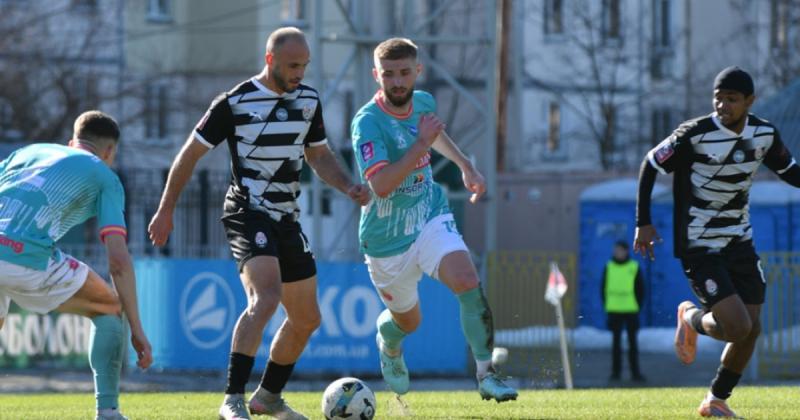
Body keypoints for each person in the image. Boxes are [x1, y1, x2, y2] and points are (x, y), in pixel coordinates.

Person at [148, 27, 370, 420]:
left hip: (287, 218)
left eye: (304, 65)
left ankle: (267, 397)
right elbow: (189, 154)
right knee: (266, 298)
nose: (299, 73)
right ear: (270, 60)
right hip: (247, 212)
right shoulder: (234, 102)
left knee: (307, 319)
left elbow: (318, 156)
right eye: (292, 65)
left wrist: (347, 185)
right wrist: (166, 209)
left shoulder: (308, 100)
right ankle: (232, 399)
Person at [351, 37, 517, 403]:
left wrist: (466, 166)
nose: (397, 82)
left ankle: (486, 374)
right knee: (409, 322)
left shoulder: (424, 103)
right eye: (388, 74)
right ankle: (389, 343)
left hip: (429, 215)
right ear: (376, 75)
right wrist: (420, 145)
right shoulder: (367, 122)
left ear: (418, 71)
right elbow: (380, 185)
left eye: (404, 73)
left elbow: (435, 134)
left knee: (467, 280)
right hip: (386, 241)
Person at [634, 66, 800, 417]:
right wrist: (643, 222)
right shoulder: (694, 134)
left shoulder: (763, 134)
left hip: (739, 241)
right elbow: (650, 164)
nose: (723, 105)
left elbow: (790, 172)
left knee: (751, 329)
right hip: (699, 245)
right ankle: (691, 317)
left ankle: (716, 400)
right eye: (718, 98)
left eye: (732, 99)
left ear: (749, 101)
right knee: (736, 326)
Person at [0, 111, 153, 420]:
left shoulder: (28, 152)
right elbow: (118, 260)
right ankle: (108, 411)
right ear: (109, 151)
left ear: (72, 142)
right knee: (109, 307)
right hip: (25, 256)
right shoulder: (104, 175)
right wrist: (137, 330)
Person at [601, 240, 645, 382]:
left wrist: (638, 305)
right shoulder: (609, 266)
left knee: (633, 344)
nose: (617, 253)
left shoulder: (634, 266)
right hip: (614, 310)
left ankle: (635, 373)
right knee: (616, 344)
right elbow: (603, 288)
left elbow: (640, 289)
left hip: (631, 310)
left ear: (626, 251)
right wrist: (607, 305)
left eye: (620, 250)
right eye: (616, 250)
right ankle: (615, 373)